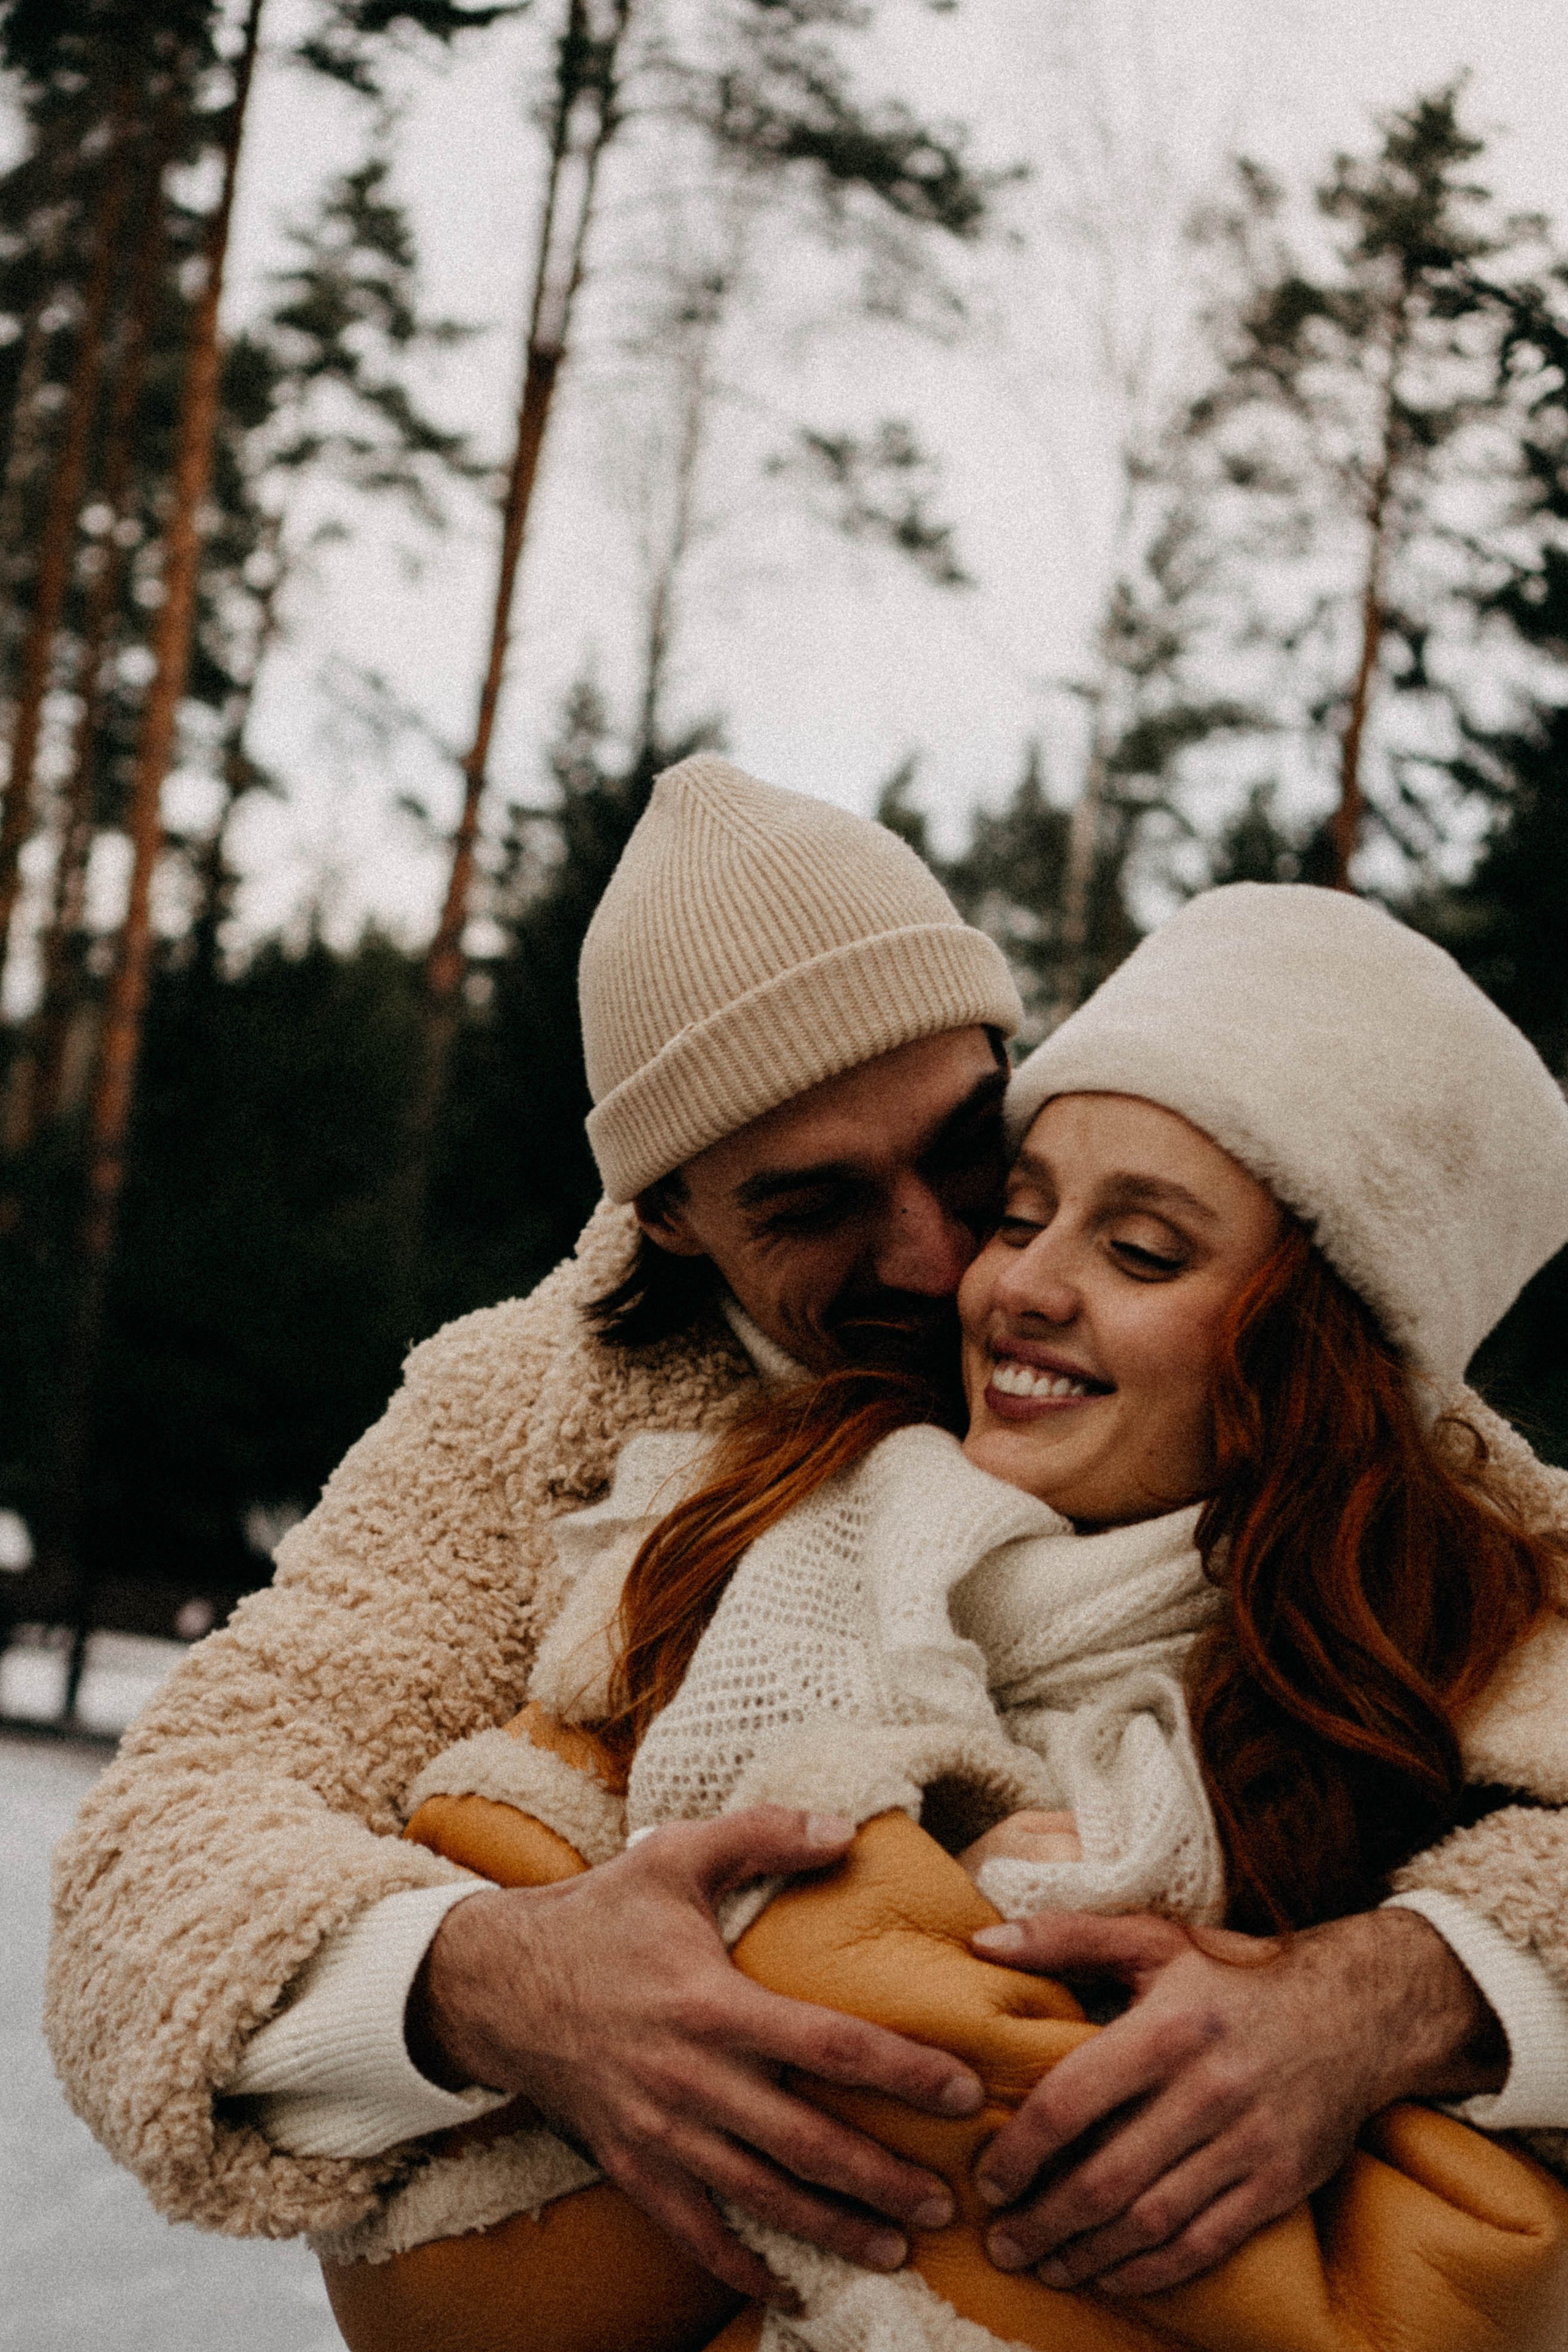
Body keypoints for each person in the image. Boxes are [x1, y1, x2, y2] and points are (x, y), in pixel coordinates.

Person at [41, 760, 1568, 2315]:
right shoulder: (525, 1421)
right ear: (672, 1217)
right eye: (810, 1205)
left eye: (972, 1149)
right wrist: (488, 1984)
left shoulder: (1325, 1400)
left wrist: (1391, 1995)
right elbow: (152, 1871)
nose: (943, 1258)